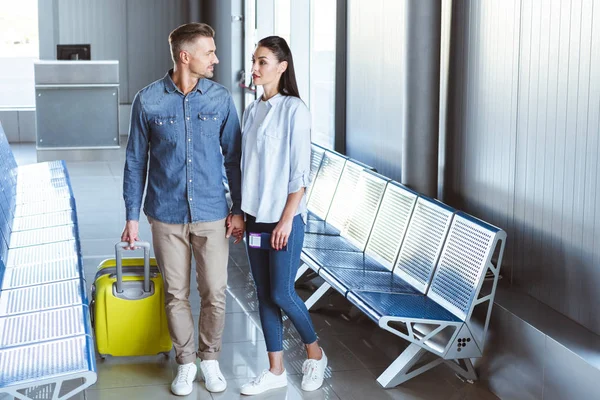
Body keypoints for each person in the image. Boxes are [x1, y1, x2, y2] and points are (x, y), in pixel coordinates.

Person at [121, 22, 245, 396]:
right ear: (184, 56)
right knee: (175, 293)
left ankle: (210, 359)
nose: (216, 59)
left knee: (214, 292)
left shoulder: (220, 99)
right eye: (209, 52)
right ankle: (186, 363)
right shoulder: (148, 100)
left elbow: (234, 160)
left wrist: (238, 209)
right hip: (166, 212)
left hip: (211, 212)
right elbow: (135, 161)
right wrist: (131, 216)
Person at [237, 36, 328, 395]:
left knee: (282, 292)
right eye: (254, 61)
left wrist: (288, 219)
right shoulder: (251, 110)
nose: (255, 68)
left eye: (262, 62)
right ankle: (275, 370)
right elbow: (247, 169)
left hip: (284, 219)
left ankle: (315, 354)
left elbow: (299, 174)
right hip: (256, 219)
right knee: (262, 294)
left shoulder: (295, 110)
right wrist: (241, 214)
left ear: (282, 67)